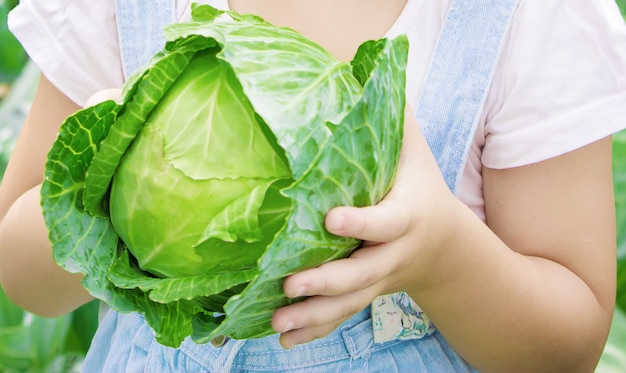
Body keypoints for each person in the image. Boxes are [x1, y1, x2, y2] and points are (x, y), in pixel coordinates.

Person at [1, 0, 626, 371]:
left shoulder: (529, 16)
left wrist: (443, 259)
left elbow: (566, 349)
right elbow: (19, 271)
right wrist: (97, 187)